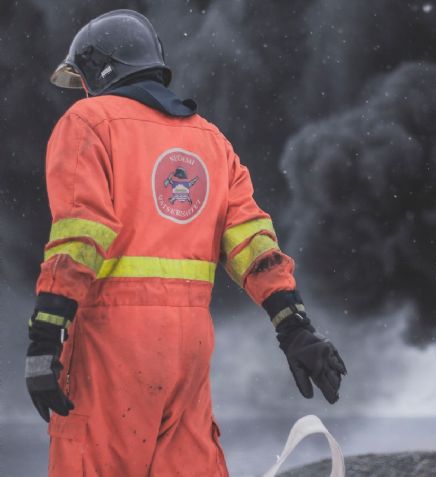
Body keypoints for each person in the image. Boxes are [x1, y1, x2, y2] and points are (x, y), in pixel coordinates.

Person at [24, 9, 347, 476]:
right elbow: (254, 245)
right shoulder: (211, 140)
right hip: (189, 350)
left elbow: (80, 237)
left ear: (97, 69)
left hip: (110, 345)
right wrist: (293, 327)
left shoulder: (88, 122)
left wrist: (44, 336)